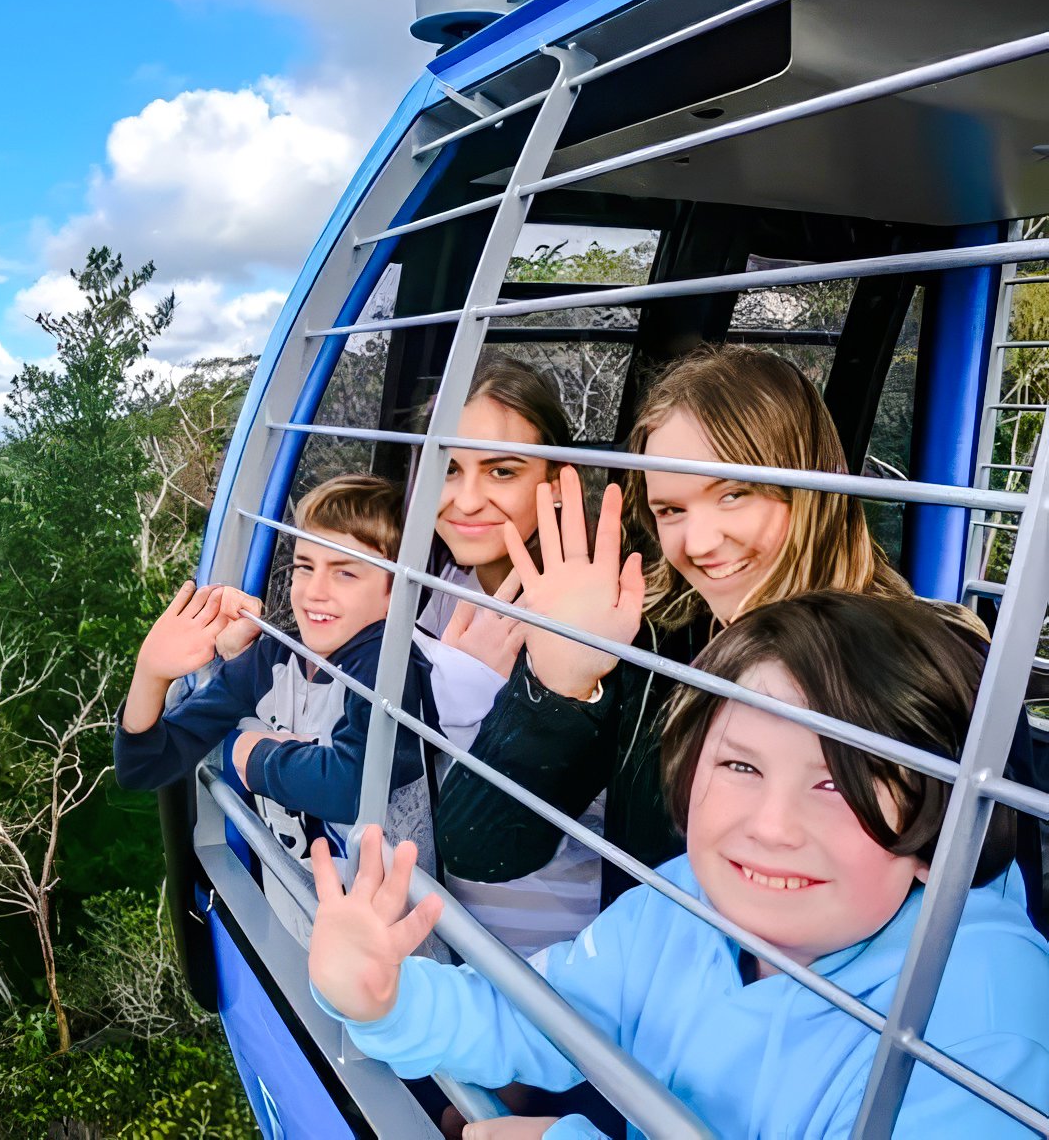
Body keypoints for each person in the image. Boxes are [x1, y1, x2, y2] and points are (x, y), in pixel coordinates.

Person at [311, 593, 1049, 1138]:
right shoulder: (684, 904)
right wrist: (387, 997)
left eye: (835, 783)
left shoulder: (983, 1021)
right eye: (739, 765)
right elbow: (547, 1016)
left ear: (938, 818)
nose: (770, 827)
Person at [435, 346, 932, 902]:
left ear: (812, 483)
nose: (698, 544)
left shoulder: (926, 661)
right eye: (671, 510)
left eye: (734, 494)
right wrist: (558, 687)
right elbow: (478, 846)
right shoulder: (652, 644)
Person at [114, 473, 437, 938]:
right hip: (299, 920)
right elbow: (143, 766)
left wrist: (251, 755)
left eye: (345, 571)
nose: (314, 591)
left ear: (396, 590)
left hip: (392, 954)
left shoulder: (392, 666)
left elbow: (349, 786)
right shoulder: (273, 658)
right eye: (305, 566)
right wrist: (151, 673)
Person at [416, 355, 605, 958]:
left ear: (556, 484)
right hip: (443, 928)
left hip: (549, 952)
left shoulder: (587, 611)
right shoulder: (444, 583)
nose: (465, 501)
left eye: (501, 471)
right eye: (448, 469)